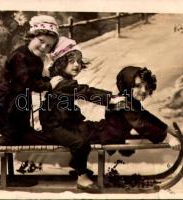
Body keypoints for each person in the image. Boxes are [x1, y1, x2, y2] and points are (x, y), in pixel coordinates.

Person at [0, 15, 62, 176]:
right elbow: (26, 81)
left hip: (21, 103)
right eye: (41, 40)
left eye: (48, 46)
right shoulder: (20, 56)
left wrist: (48, 78)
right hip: (7, 103)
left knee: (25, 136)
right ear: (33, 35)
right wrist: (48, 85)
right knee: (14, 136)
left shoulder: (37, 59)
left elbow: (34, 79)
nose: (44, 47)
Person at [39, 36, 124, 193]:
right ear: (60, 63)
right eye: (71, 61)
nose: (77, 65)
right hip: (54, 126)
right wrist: (110, 98)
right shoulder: (61, 82)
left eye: (79, 61)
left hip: (65, 121)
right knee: (80, 143)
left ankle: (78, 165)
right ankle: (82, 177)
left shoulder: (64, 80)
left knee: (90, 131)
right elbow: (86, 92)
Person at [86, 66, 181, 157]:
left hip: (107, 134)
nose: (144, 90)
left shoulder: (132, 102)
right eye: (138, 86)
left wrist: (167, 129)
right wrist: (168, 137)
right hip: (97, 135)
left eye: (146, 86)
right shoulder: (122, 103)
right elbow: (141, 125)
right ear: (127, 86)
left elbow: (147, 117)